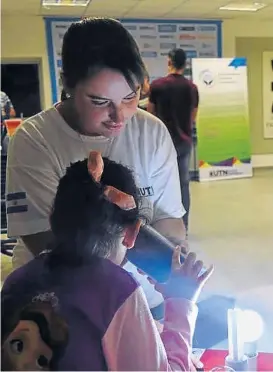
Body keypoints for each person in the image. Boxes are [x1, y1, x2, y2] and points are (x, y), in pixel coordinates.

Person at [6, 18, 186, 318]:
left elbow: (168, 218)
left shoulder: (151, 131)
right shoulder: (34, 139)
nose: (119, 116)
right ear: (68, 86)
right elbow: (46, 242)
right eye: (100, 101)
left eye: (130, 97)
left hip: (143, 300)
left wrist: (175, 264)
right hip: (62, 306)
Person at [2, 152, 213, 371]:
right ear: (132, 234)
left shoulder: (15, 282)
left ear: (53, 218)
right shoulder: (117, 292)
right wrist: (181, 303)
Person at [148, 48, 199, 232]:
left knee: (160, 184)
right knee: (183, 184)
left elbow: (150, 114)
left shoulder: (157, 86)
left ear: (169, 62)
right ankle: (183, 226)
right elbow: (193, 115)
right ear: (185, 64)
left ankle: (160, 226)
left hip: (162, 143)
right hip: (184, 142)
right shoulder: (192, 88)